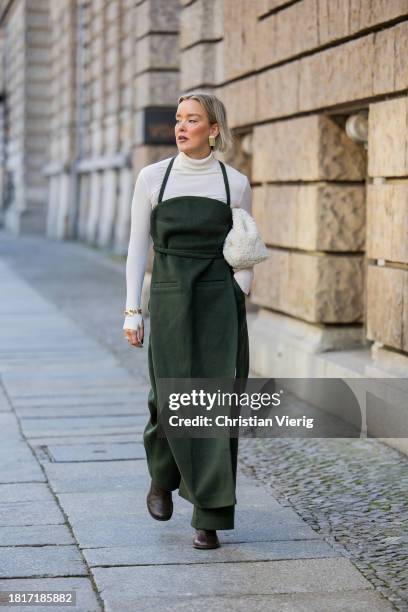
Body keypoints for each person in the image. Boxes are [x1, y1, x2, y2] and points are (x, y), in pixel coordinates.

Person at [123, 92, 253, 549]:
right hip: (171, 297)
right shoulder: (153, 178)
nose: (181, 127)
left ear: (213, 129)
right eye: (179, 119)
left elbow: (245, 244)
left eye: (192, 119)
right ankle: (162, 476)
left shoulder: (234, 183)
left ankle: (209, 516)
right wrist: (132, 310)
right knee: (167, 400)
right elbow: (138, 247)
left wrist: (242, 288)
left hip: (220, 300)